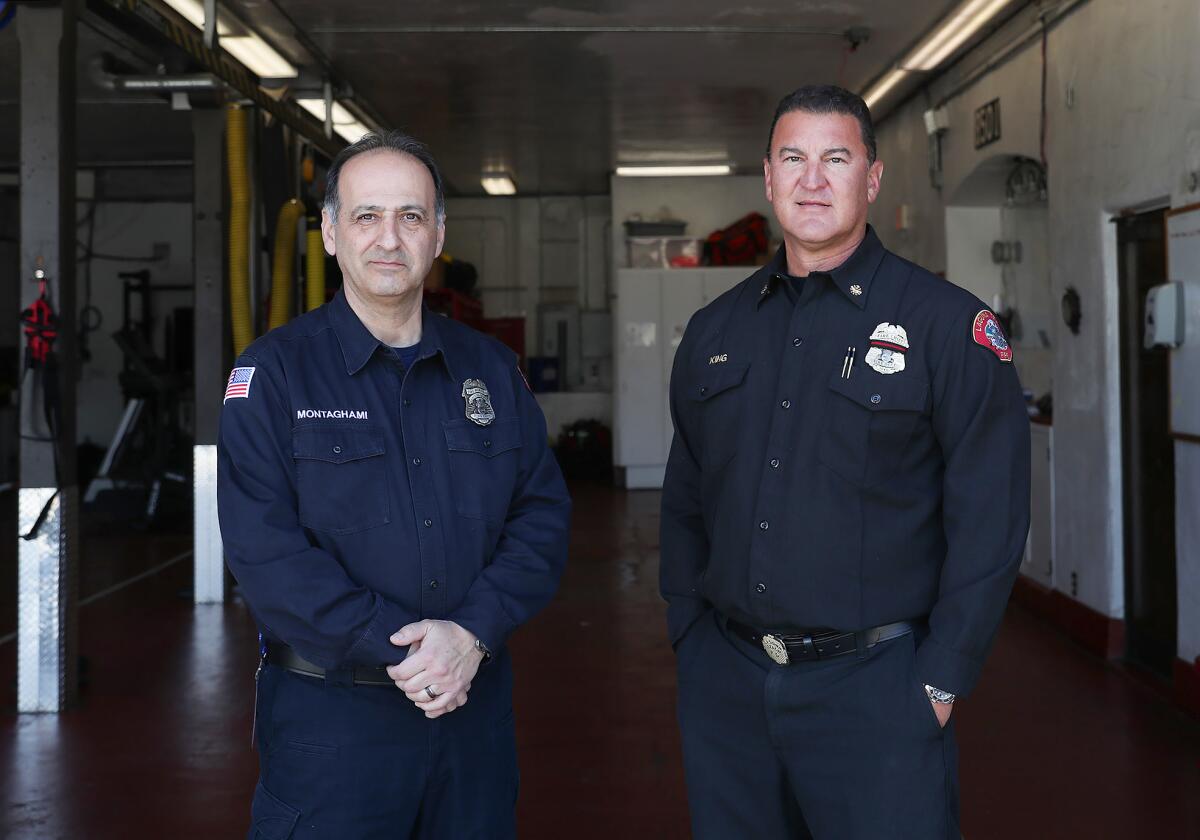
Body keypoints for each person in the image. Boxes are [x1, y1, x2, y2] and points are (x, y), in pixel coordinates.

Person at [660, 85, 1030, 839]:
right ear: (767, 178)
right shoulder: (713, 330)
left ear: (873, 177)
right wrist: (690, 641)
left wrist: (941, 679)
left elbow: (991, 518)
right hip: (729, 689)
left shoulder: (947, 327)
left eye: (837, 157)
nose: (813, 179)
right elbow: (687, 500)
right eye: (793, 158)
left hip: (877, 693)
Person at [217, 130, 570, 839]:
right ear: (329, 233)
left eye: (410, 216)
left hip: (471, 720)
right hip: (333, 726)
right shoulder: (274, 375)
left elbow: (542, 517)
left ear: (438, 234)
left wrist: (471, 633)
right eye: (366, 215)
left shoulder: (492, 371)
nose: (388, 238)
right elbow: (266, 555)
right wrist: (409, 651)